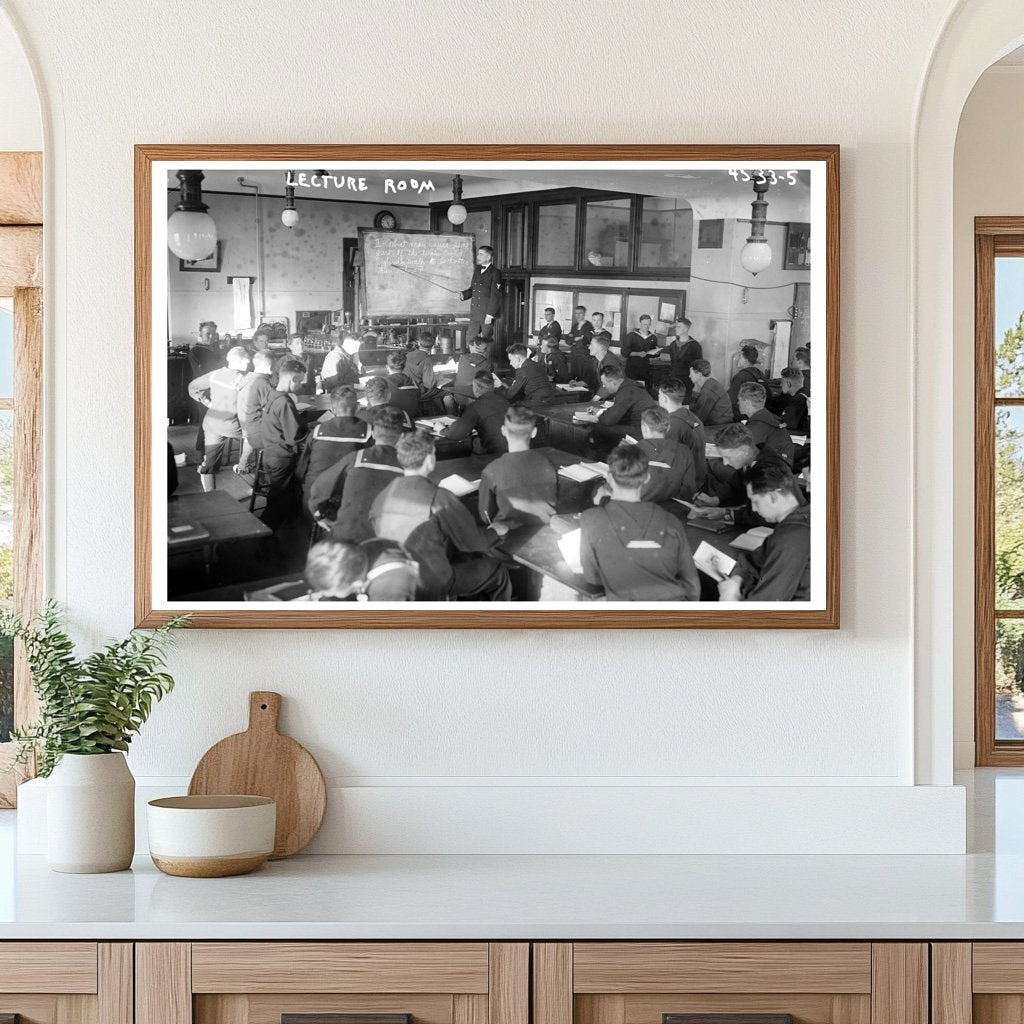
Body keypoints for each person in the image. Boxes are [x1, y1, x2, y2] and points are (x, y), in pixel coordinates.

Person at [369, 431, 511, 601]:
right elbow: (473, 542)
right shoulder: (439, 497)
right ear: (429, 459)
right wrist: (496, 531)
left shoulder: (382, 495)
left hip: (394, 577)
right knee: (496, 569)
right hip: (430, 581)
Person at [579, 444, 700, 601]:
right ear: (647, 477)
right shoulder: (671, 521)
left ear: (609, 477)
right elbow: (693, 588)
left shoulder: (590, 519)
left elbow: (592, 577)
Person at [717, 459, 811, 602]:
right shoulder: (794, 523)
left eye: (755, 501)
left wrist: (730, 598)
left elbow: (765, 605)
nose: (754, 509)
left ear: (773, 496)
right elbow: (754, 560)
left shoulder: (791, 537)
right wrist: (736, 580)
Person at [309, 406, 406, 542]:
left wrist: (319, 516)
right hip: (386, 541)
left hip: (347, 538)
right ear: (402, 437)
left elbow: (318, 489)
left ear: (373, 433)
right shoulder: (406, 468)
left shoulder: (355, 458)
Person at [694, 422, 802, 529]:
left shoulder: (767, 469)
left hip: (790, 526)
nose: (725, 463)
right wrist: (715, 500)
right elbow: (734, 487)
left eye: (727, 457)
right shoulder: (752, 460)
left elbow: (761, 515)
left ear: (744, 451)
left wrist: (725, 513)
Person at [478, 406, 558, 531]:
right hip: (546, 532)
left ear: (503, 431)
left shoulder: (491, 470)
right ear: (534, 432)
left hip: (507, 537)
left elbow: (485, 516)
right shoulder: (548, 464)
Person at [187, 344, 250, 491]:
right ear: (241, 361)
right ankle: (244, 467)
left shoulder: (214, 374)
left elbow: (192, 387)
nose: (248, 364)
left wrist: (206, 402)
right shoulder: (244, 379)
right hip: (233, 425)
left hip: (212, 424)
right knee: (255, 436)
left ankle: (210, 492)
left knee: (210, 463)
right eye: (247, 361)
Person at [299, 386, 372, 508]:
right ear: (358, 407)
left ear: (333, 409)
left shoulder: (317, 431)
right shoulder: (368, 431)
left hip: (314, 500)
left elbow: (301, 468)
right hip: (348, 500)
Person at [259, 358, 309, 529]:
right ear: (291, 379)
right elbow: (295, 437)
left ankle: (279, 535)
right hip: (283, 458)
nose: (302, 385)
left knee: (278, 498)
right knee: (277, 505)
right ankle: (261, 539)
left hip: (271, 454)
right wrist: (314, 433)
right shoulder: (285, 402)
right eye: (300, 380)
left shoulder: (273, 395)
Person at [305, 537, 419, 602]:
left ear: (357, 584)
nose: (323, 593)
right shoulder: (362, 549)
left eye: (333, 592)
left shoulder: (389, 591)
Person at [588, 364, 658, 454]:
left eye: (604, 383)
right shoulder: (631, 386)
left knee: (598, 428)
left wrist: (599, 415)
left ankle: (602, 460)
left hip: (641, 432)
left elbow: (608, 420)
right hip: (646, 428)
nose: (604, 386)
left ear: (614, 382)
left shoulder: (627, 391)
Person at [635, 406, 697, 503]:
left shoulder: (631, 451)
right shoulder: (684, 451)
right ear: (668, 428)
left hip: (638, 507)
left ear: (645, 428)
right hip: (672, 509)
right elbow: (689, 490)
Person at [441, 372, 510, 454]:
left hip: (493, 455)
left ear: (476, 389)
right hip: (512, 450)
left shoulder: (476, 406)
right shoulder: (505, 402)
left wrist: (441, 429)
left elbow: (455, 434)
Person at [657, 376, 707, 489]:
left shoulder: (672, 424)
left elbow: (666, 460)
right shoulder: (693, 417)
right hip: (700, 476)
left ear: (664, 399)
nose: (658, 399)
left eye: (659, 396)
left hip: (686, 483)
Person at [236, 349, 276, 474]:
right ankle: (270, 472)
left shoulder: (247, 377)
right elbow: (273, 408)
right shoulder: (263, 383)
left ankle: (243, 465)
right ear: (270, 367)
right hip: (258, 433)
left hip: (245, 426)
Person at [736, 381, 794, 464]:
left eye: (739, 400)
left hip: (775, 470)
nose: (738, 403)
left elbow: (743, 454)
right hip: (783, 464)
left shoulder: (758, 424)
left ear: (747, 403)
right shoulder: (768, 417)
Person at [460, 244, 501, 342]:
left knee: (486, 341)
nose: (478, 257)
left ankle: (486, 358)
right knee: (470, 339)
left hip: (486, 314)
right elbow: (473, 289)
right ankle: (473, 357)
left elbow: (495, 296)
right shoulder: (477, 269)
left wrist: (490, 316)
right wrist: (464, 295)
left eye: (481, 254)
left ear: (488, 257)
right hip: (475, 313)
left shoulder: (495, 272)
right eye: (478, 254)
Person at [449, 334, 494, 411]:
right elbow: (487, 384)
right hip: (474, 398)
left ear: (474, 347)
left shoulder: (463, 358)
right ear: (486, 349)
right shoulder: (487, 364)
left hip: (458, 396)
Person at [661, 317, 703, 397]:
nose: (676, 329)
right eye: (676, 326)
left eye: (679, 327)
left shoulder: (695, 346)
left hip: (687, 382)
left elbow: (699, 367)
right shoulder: (673, 344)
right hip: (674, 380)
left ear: (686, 329)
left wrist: (697, 384)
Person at [728, 342, 767, 419]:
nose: (738, 360)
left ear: (746, 361)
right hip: (757, 415)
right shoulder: (760, 374)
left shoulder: (741, 377)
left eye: (740, 357)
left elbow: (730, 400)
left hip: (741, 416)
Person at [689, 359, 733, 425]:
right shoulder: (710, 383)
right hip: (719, 423)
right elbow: (698, 406)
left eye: (691, 373)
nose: (689, 376)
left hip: (718, 426)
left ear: (699, 374)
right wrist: (695, 392)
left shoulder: (708, 391)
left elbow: (698, 419)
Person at [621, 313, 662, 383]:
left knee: (642, 388)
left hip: (645, 367)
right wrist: (638, 354)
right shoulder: (631, 335)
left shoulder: (653, 337)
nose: (647, 326)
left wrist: (657, 353)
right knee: (631, 387)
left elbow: (653, 353)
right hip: (632, 367)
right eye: (644, 324)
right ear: (640, 323)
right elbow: (624, 352)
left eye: (649, 324)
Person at [384, 351, 422, 421]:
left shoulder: (383, 383)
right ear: (404, 367)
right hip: (411, 420)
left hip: (391, 422)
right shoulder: (413, 382)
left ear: (387, 367)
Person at [776, 366, 810, 433]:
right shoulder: (807, 394)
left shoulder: (798, 400)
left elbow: (786, 424)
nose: (780, 385)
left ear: (788, 384)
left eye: (782, 382)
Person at [566, 306, 593, 380]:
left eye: (580, 313)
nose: (578, 315)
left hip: (583, 355)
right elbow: (568, 340)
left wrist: (573, 338)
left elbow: (584, 341)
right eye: (576, 313)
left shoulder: (588, 326)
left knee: (582, 376)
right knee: (573, 376)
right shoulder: (575, 326)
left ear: (584, 314)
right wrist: (576, 338)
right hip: (574, 354)